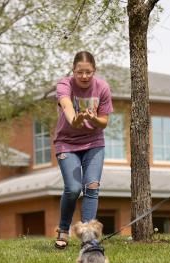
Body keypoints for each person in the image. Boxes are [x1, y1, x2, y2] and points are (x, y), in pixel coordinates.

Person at [53, 51, 113, 249]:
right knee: (73, 189)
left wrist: (93, 119)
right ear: (73, 71)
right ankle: (63, 229)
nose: (84, 76)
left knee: (92, 187)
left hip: (94, 142)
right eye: (80, 72)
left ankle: (88, 238)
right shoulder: (65, 85)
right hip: (67, 142)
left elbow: (104, 122)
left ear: (94, 71)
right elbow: (67, 105)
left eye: (88, 72)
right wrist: (75, 119)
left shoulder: (102, 87)